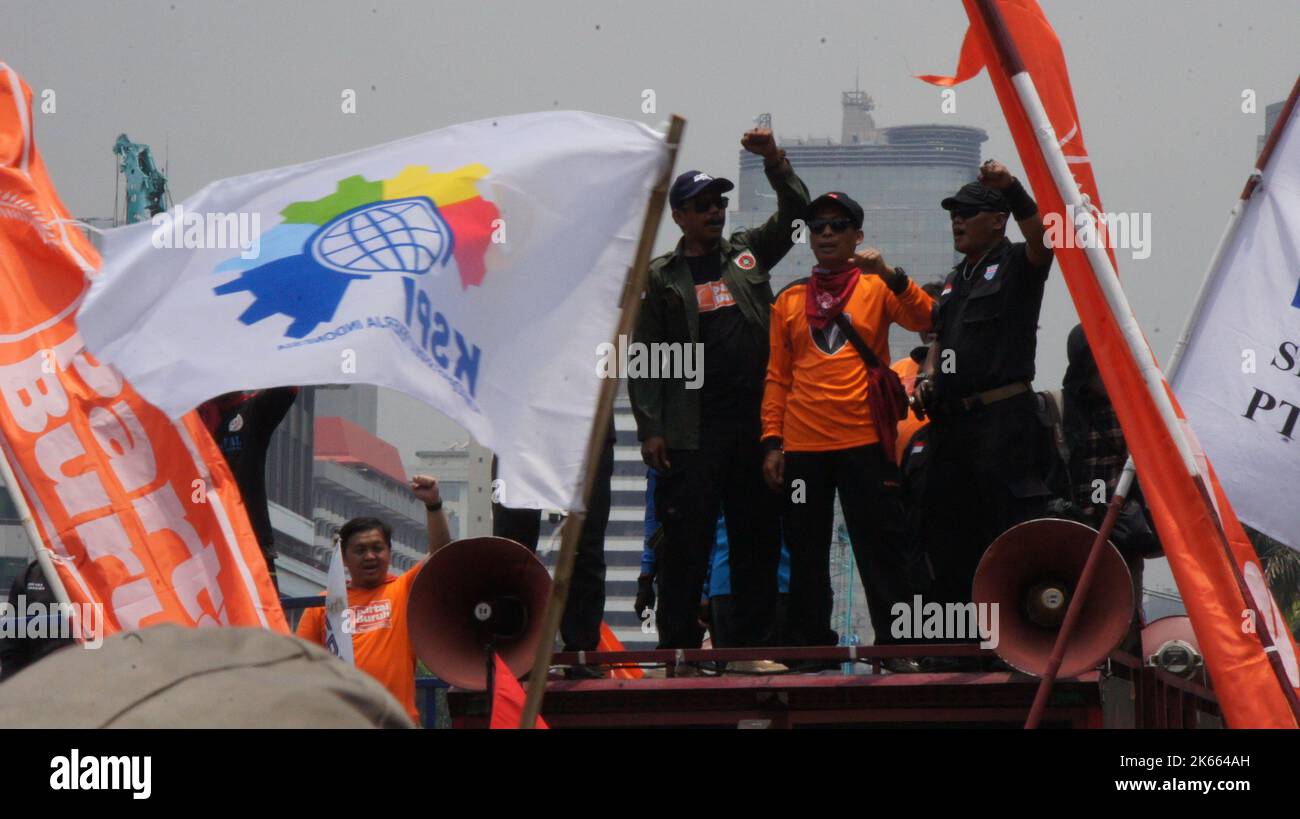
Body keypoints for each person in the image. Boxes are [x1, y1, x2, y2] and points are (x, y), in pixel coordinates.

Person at [629, 127, 810, 652]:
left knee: (756, 539)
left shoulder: (748, 254)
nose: (715, 211)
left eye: (719, 203)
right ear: (679, 216)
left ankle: (750, 651)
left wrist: (775, 160)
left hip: (755, 425)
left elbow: (797, 215)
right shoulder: (664, 277)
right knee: (687, 543)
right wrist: (652, 429)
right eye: (702, 205)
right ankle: (679, 649)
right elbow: (646, 360)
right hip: (693, 431)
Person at [761, 191, 934, 655]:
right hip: (803, 447)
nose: (827, 233)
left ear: (858, 236)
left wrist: (893, 275)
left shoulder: (877, 287)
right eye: (818, 226)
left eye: (839, 225)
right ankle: (811, 647)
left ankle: (896, 647)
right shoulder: (790, 299)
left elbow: (928, 319)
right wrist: (772, 442)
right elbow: (777, 378)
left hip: (864, 442)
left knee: (881, 550)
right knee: (806, 553)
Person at [916, 160, 1054, 613]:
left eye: (969, 212)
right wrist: (927, 377)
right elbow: (939, 338)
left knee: (1006, 531)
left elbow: (1043, 238)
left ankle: (1013, 631)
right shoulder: (956, 280)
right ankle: (958, 642)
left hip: (1003, 422)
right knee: (946, 529)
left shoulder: (1017, 263)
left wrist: (1012, 187)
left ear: (997, 221)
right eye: (954, 213)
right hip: (952, 425)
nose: (958, 220)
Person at [296, 474, 450, 724]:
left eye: (377, 548)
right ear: (344, 559)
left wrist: (433, 504)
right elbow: (300, 664)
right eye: (359, 550)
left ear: (389, 552)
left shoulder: (404, 590)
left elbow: (442, 554)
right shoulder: (323, 605)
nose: (370, 556)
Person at [490, 417, 614, 667]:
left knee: (584, 543)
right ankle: (513, 645)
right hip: (521, 422)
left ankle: (580, 652)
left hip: (586, 423)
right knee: (512, 546)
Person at [199, 387, 300, 591]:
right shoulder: (191, 420)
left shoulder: (252, 410)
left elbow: (288, 386)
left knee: (261, 616)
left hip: (252, 540)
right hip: (201, 545)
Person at [0, 559, 75, 680]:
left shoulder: (105, 568)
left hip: (93, 680)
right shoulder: (32, 574)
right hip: (40, 682)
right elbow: (12, 646)